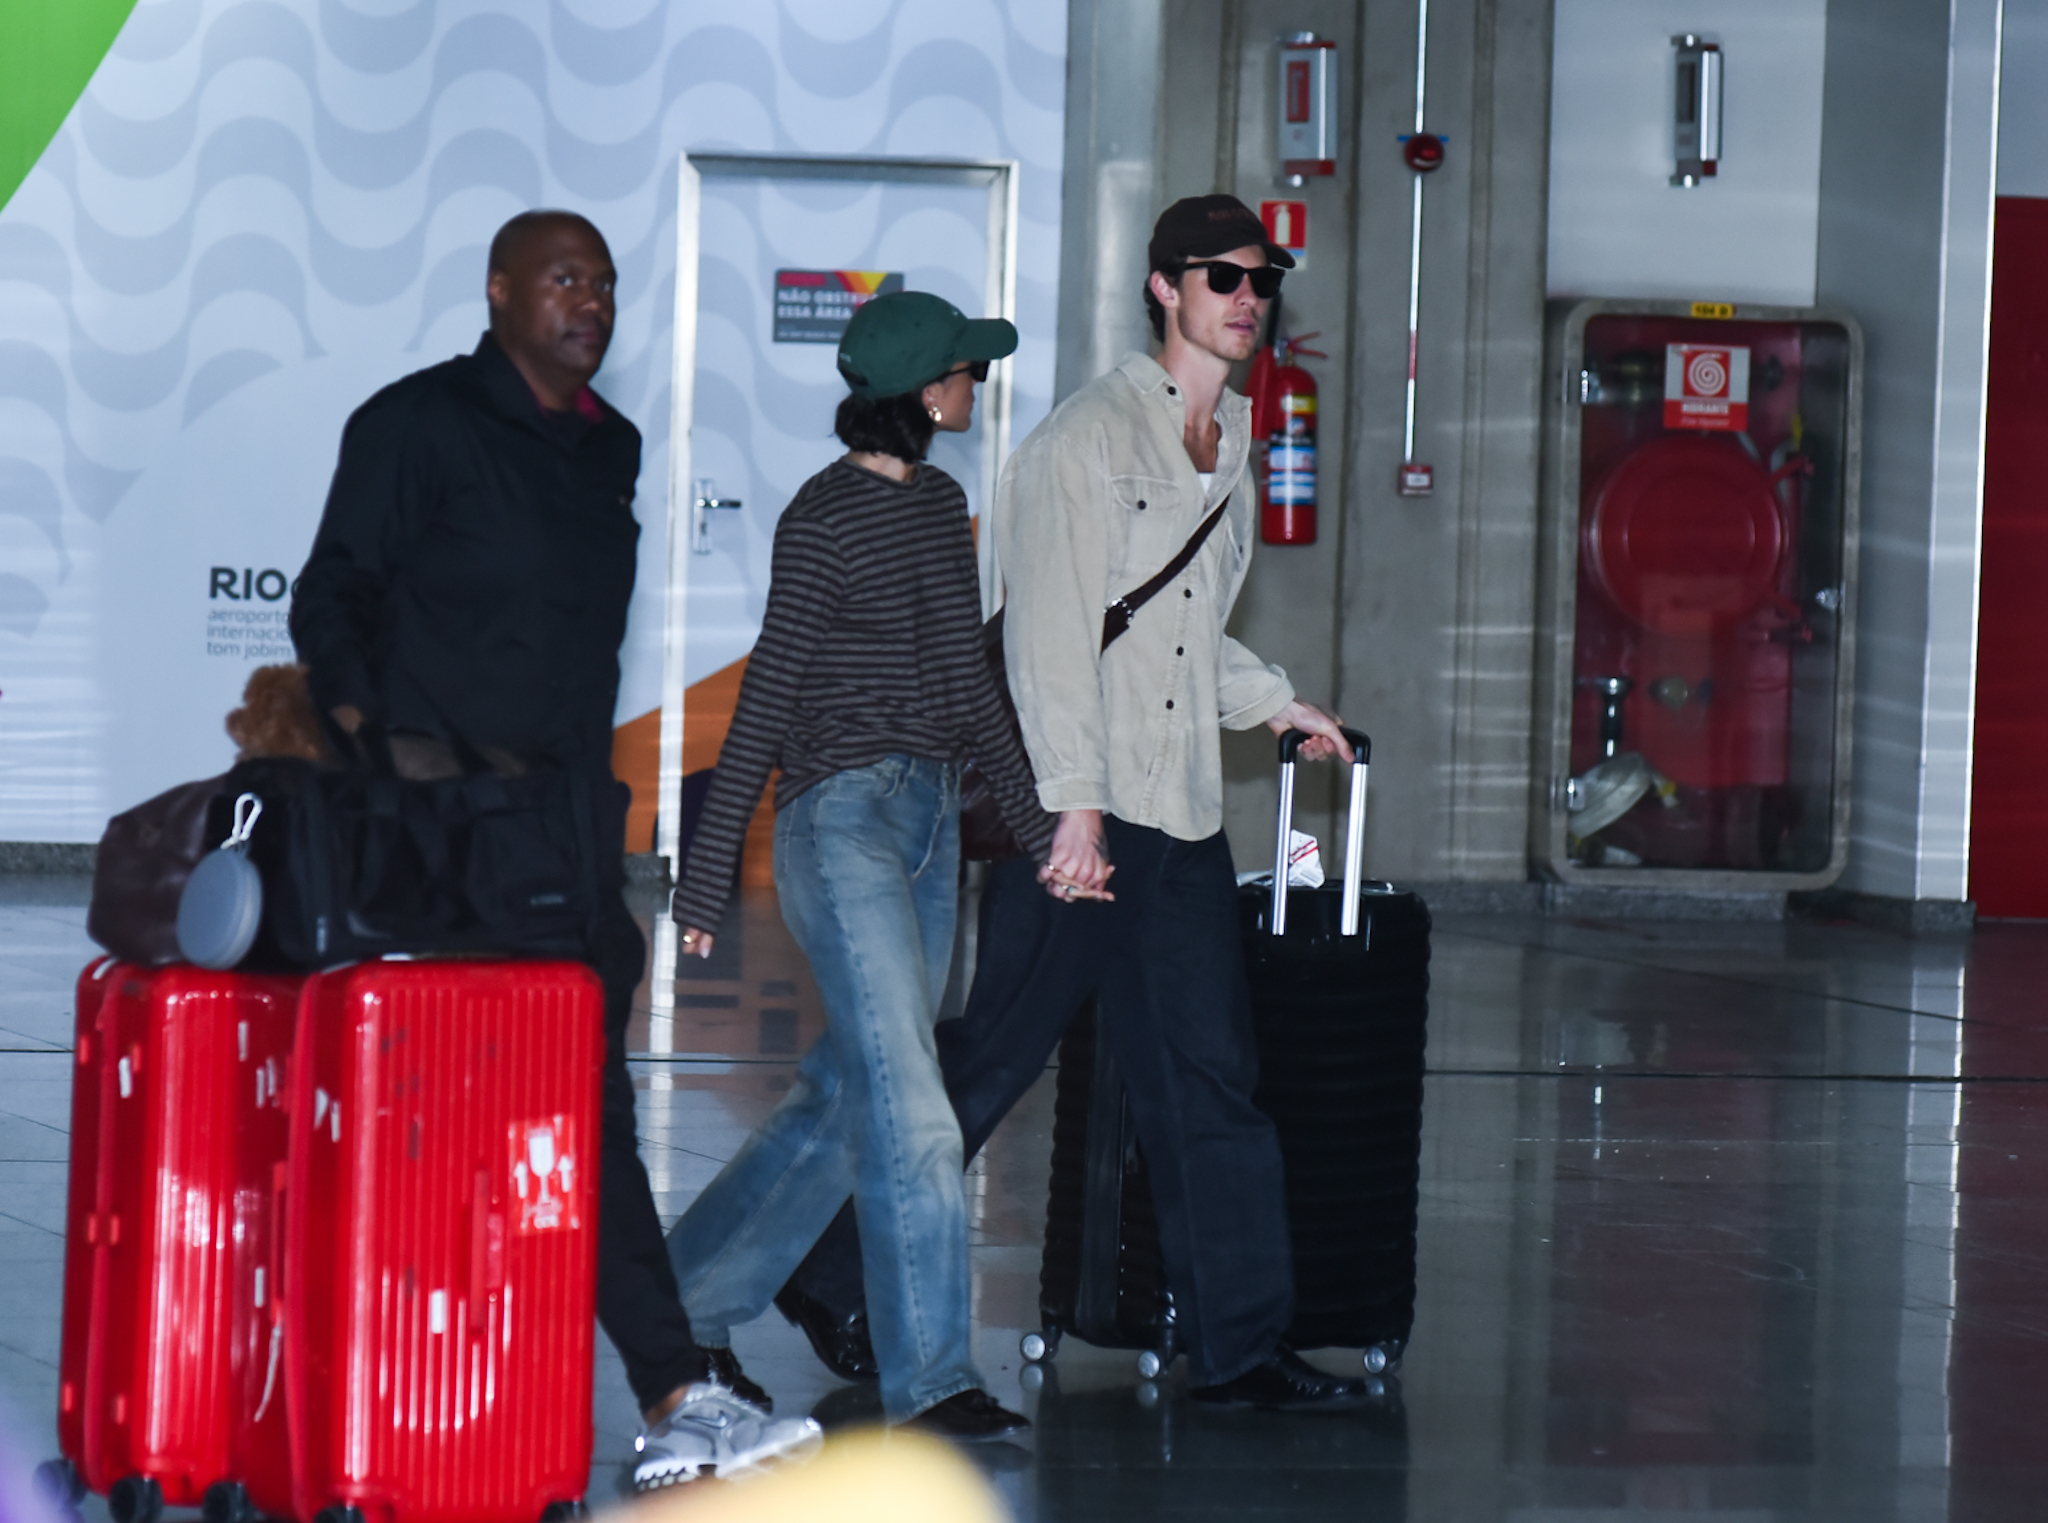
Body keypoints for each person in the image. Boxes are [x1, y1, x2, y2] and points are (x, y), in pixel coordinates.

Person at [772, 195, 1373, 1411]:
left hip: (1180, 811)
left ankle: (1238, 1346)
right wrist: (1074, 813)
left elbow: (1178, 633)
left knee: (1209, 1075)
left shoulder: (1232, 438)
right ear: (1162, 287)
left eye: (1260, 279)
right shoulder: (1080, 442)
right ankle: (830, 1276)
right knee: (995, 1053)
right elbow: (1047, 643)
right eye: (1219, 277)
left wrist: (1273, 703)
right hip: (1077, 810)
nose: (1245, 298)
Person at [288, 209, 821, 1490]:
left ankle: (655, 1389)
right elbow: (332, 594)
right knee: (496, 1113)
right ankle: (571, 1386)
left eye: (606, 283)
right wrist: (382, 750)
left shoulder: (609, 446)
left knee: (579, 1107)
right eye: (565, 279)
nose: (592, 303)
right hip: (439, 835)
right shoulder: (415, 425)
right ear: (499, 291)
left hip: (566, 838)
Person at [666, 290, 1070, 1442]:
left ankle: (680, 1295)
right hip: (838, 823)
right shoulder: (821, 516)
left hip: (929, 823)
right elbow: (767, 694)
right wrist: (704, 875)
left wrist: (1040, 833)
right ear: (927, 391)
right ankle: (932, 1376)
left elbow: (967, 687)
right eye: (967, 370)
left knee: (851, 1089)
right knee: (916, 1110)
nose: (976, 386)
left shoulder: (939, 507)